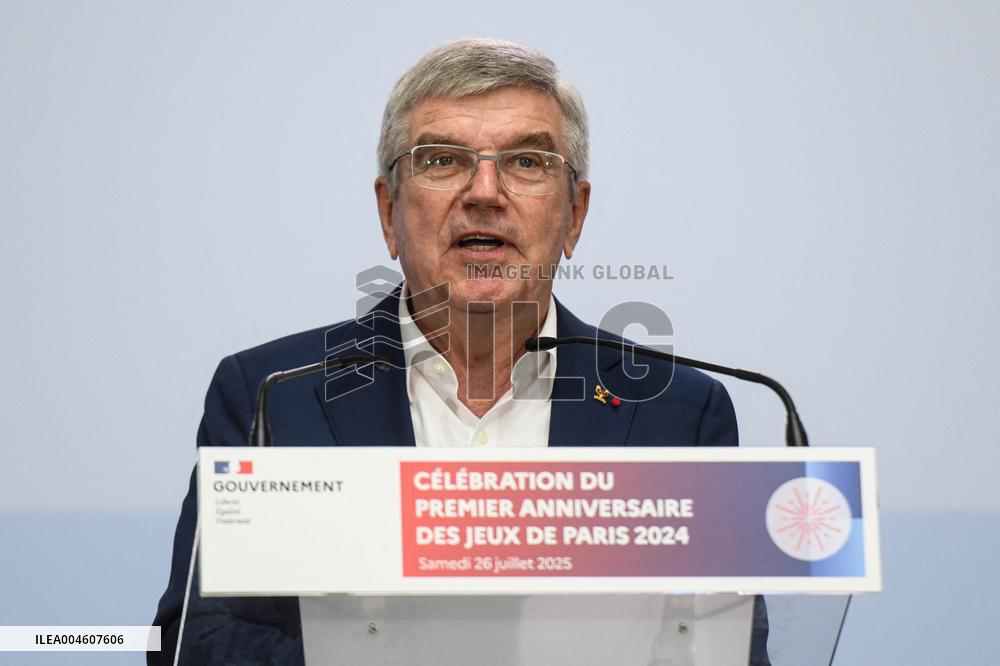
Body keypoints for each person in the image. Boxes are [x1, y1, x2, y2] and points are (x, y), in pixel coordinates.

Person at [151, 38, 768, 665]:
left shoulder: (676, 410)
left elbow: (727, 647)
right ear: (390, 213)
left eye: (527, 162)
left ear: (574, 216)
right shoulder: (273, 395)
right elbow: (196, 644)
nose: (484, 192)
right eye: (443, 160)